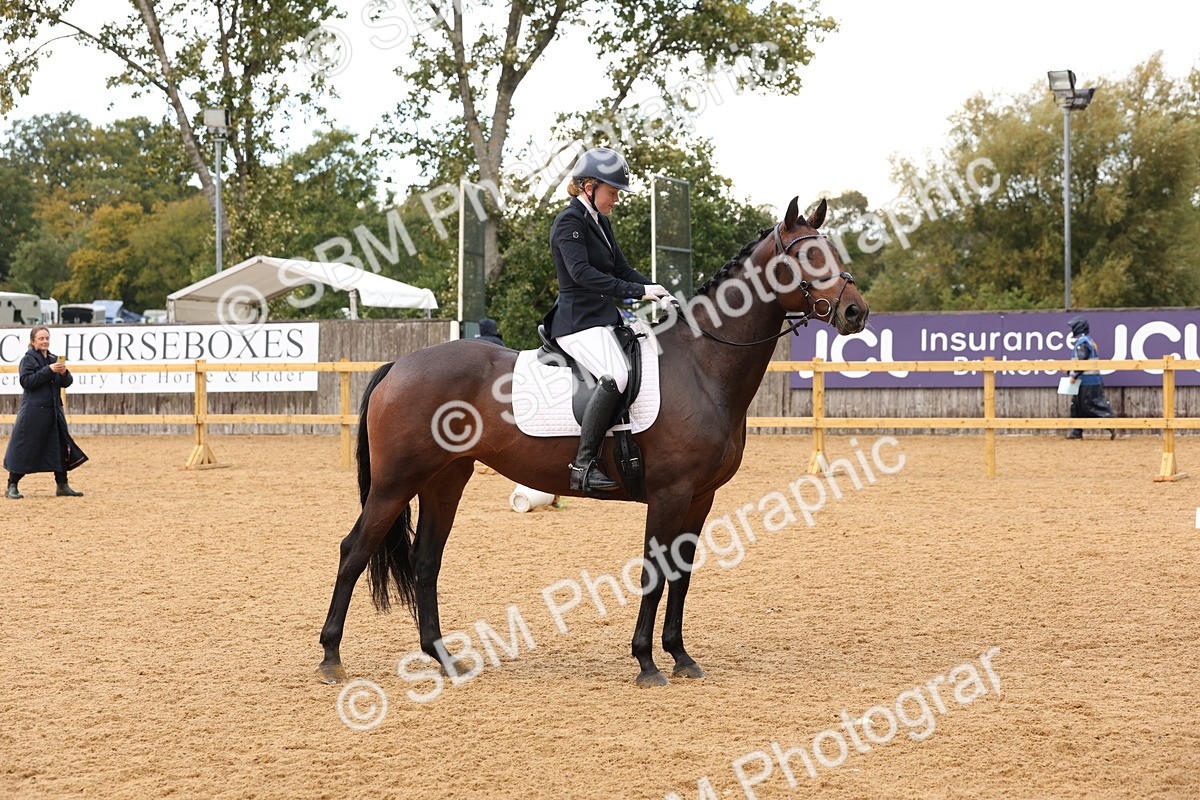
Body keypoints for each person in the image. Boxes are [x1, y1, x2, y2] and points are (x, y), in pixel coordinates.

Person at [545, 146, 670, 493]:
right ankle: (583, 464)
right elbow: (582, 274)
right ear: (589, 187)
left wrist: (655, 288)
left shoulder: (602, 222)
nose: (615, 199)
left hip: (602, 318)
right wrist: (635, 291)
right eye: (612, 192)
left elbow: (621, 268)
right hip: (576, 322)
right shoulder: (569, 221)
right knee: (615, 374)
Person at [4, 325, 88, 498]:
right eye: (41, 338)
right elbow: (27, 382)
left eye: (47, 338)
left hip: (54, 411)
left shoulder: (54, 358)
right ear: (33, 341)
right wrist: (48, 371)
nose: (45, 341)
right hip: (33, 413)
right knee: (26, 447)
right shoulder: (28, 360)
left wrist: (64, 373)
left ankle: (62, 485)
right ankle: (12, 485)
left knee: (59, 447)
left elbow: (66, 382)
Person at [1065, 315, 1116, 440]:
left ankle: (1111, 423)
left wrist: (1074, 375)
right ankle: (1076, 431)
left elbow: (1082, 361)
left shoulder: (1082, 342)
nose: (1071, 329)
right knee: (1076, 406)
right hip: (1086, 380)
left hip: (1087, 381)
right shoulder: (1087, 341)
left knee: (1089, 406)